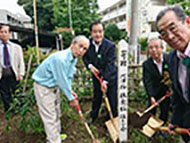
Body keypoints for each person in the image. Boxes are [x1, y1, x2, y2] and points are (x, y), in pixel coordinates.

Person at [32, 35, 89, 143]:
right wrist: (71, 98)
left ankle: (55, 137)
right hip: (43, 87)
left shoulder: (73, 59)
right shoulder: (60, 59)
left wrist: (71, 92)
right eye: (80, 46)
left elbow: (68, 77)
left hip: (54, 87)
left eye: (85, 48)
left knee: (57, 113)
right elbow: (61, 79)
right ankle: (53, 140)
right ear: (73, 44)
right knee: (50, 117)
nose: (81, 50)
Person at [156, 5, 190, 143]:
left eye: (173, 28)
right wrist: (175, 120)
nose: (169, 36)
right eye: (163, 33)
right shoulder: (172, 58)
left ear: (187, 22)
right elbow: (177, 93)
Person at [82, 21, 118, 123]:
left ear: (103, 32)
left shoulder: (110, 46)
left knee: (112, 99)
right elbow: (84, 57)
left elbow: (110, 64)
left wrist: (105, 81)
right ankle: (93, 117)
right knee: (97, 96)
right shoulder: (87, 44)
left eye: (100, 31)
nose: (98, 34)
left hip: (110, 76)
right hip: (96, 75)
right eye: (95, 32)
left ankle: (112, 120)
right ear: (91, 32)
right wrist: (90, 66)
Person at [143, 37, 170, 125]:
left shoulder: (169, 60)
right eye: (151, 48)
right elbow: (147, 81)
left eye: (156, 47)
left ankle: (162, 127)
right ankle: (151, 129)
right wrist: (151, 96)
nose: (154, 50)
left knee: (165, 111)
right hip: (154, 91)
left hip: (167, 92)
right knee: (151, 111)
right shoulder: (147, 64)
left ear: (162, 48)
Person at [0, 24, 25, 112]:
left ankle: (20, 109)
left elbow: (21, 61)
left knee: (17, 91)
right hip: (2, 73)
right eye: (2, 32)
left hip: (13, 72)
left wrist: (21, 74)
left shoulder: (16, 47)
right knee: (5, 93)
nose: (4, 34)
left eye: (5, 32)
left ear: (9, 34)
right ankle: (9, 110)